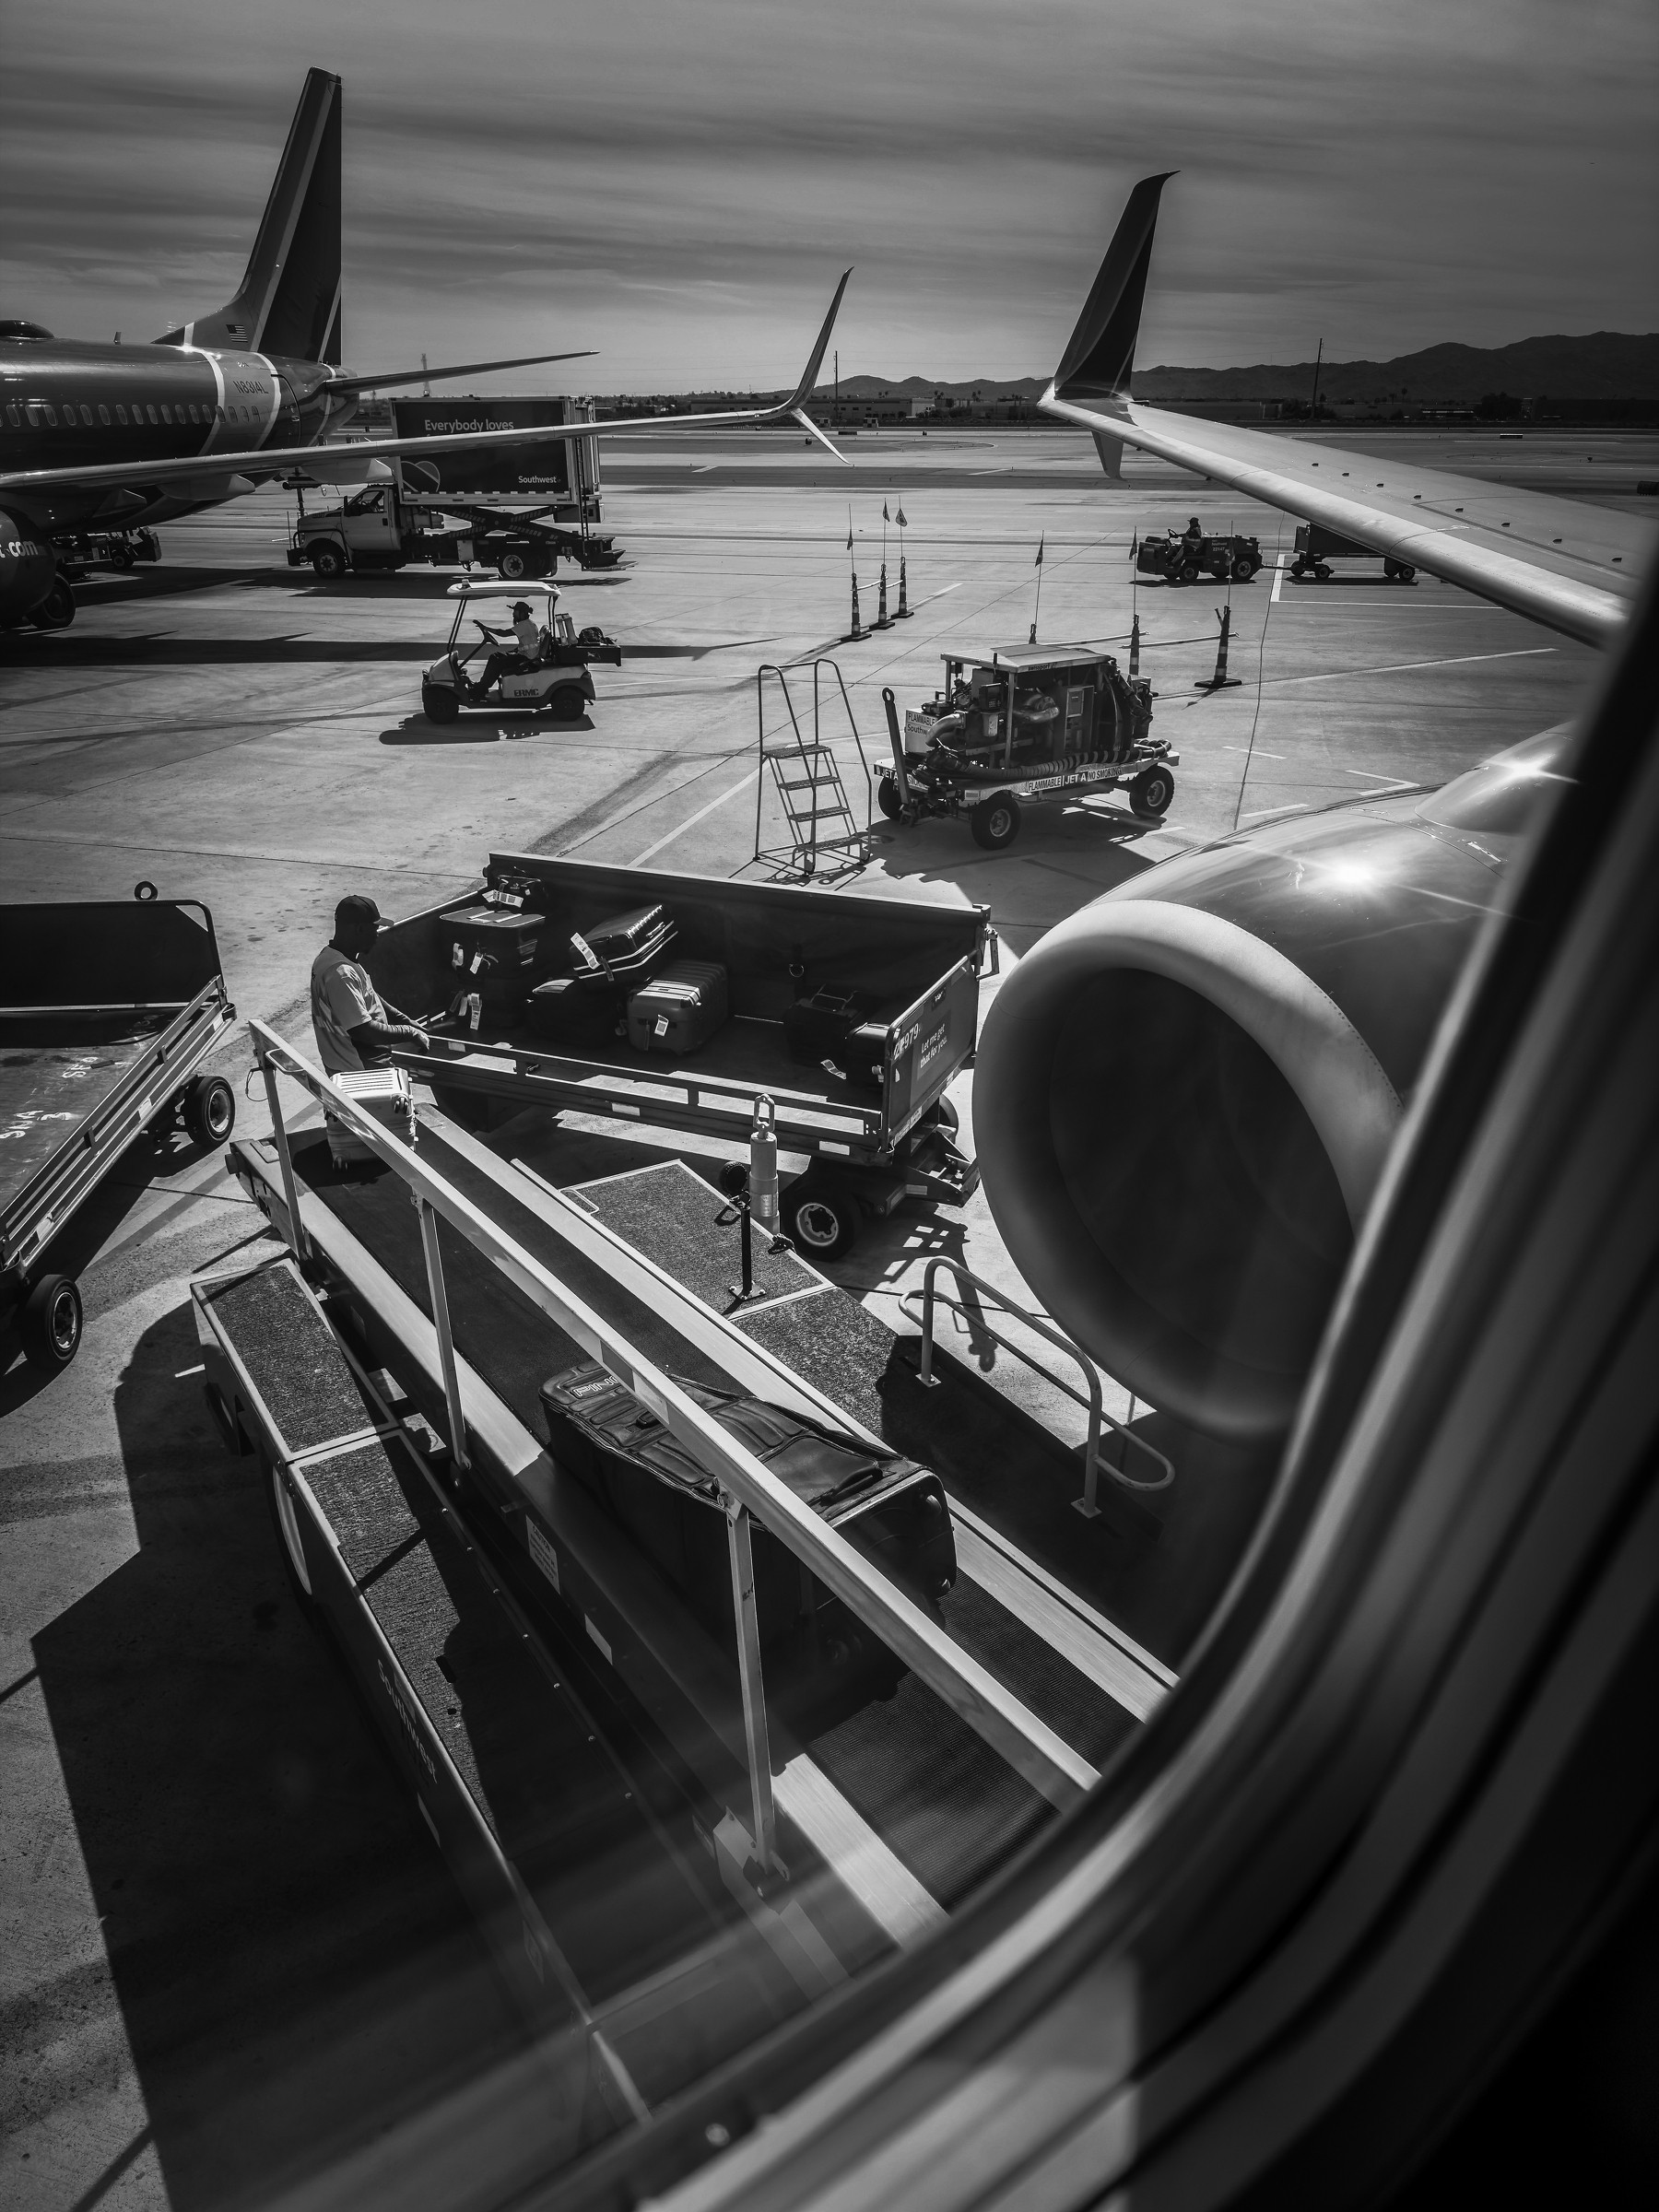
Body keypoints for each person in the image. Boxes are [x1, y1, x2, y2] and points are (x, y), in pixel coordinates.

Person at [311, 895, 426, 1164]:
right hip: (360, 1072)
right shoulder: (340, 972)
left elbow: (368, 995)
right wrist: (409, 1034)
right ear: (358, 929)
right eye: (375, 929)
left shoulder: (333, 959)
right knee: (381, 1150)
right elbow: (363, 1030)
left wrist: (404, 1019)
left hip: (355, 1066)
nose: (378, 935)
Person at [471, 597, 549, 697]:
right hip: (526, 654)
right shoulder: (529, 623)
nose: (513, 614)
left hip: (527, 658)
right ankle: (483, 685)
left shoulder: (524, 625)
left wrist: (486, 628)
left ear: (521, 613)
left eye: (515, 612)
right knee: (495, 656)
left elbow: (503, 633)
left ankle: (481, 690)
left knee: (498, 663)